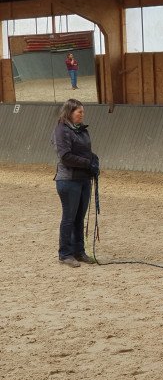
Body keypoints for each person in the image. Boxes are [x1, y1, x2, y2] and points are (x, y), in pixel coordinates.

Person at [51, 99, 100, 267]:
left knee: (79, 217)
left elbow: (85, 151)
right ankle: (65, 254)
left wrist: (94, 160)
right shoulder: (61, 130)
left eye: (83, 112)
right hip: (68, 180)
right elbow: (65, 156)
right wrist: (88, 163)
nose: (82, 114)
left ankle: (79, 251)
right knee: (69, 218)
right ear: (70, 112)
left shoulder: (81, 130)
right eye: (79, 112)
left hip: (83, 179)